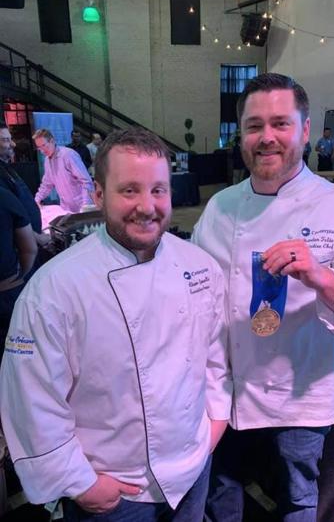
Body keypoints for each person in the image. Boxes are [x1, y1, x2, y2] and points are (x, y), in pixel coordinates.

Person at [192, 73, 334, 522]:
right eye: (254, 125)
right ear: (241, 135)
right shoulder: (220, 208)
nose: (267, 137)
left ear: (305, 131)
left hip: (298, 398)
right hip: (223, 391)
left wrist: (322, 276)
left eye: (280, 123)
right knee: (221, 498)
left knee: (297, 502)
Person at [0, 127, 232, 522]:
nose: (147, 205)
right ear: (98, 194)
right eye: (129, 190)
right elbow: (31, 399)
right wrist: (80, 483)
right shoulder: (53, 288)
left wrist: (216, 422)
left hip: (193, 470)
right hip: (114, 493)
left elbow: (214, 355)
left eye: (158, 190)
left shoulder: (200, 266)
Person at [0, 187, 37, 360]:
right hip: (8, 293)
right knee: (19, 359)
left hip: (8, 294)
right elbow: (29, 249)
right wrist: (20, 277)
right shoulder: (5, 196)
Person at [0, 124, 49, 247]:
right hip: (25, 246)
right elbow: (10, 218)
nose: (13, 144)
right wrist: (37, 238)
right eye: (6, 140)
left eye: (10, 139)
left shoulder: (6, 168)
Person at [33, 128, 94, 213]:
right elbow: (47, 184)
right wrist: (36, 200)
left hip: (82, 205)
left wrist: (86, 206)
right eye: (39, 148)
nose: (42, 151)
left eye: (44, 145)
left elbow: (86, 181)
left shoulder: (68, 155)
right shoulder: (47, 160)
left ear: (52, 141)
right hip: (66, 207)